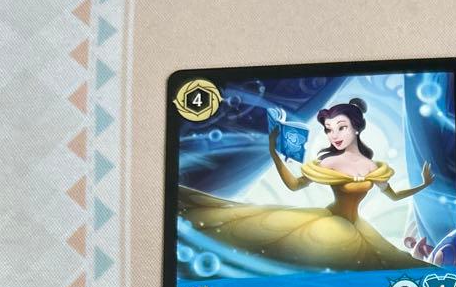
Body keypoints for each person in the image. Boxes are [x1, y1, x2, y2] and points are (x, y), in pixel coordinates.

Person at [178, 97, 435, 271]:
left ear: (356, 129)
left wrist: (423, 185)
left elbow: (393, 195)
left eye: (341, 128)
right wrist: (275, 154)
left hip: (358, 226)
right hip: (330, 224)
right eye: (329, 129)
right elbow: (294, 185)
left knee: (396, 266)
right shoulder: (329, 163)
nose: (334, 135)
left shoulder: (372, 167)